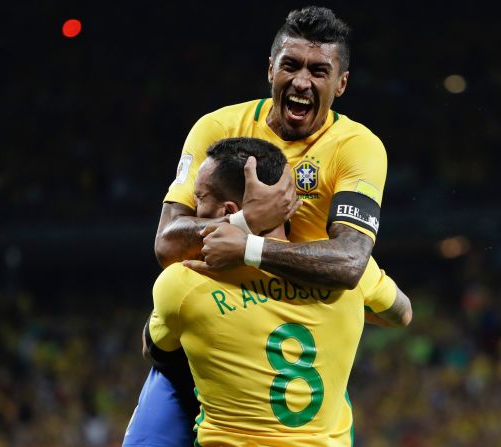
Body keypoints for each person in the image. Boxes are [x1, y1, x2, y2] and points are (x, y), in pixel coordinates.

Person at [123, 6, 399, 446]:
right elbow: (167, 245)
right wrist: (247, 221)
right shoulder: (216, 128)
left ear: (341, 84)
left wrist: (249, 246)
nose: (302, 81)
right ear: (270, 68)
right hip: (218, 318)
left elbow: (350, 262)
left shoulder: (357, 148)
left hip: (298, 323)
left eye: (319, 70)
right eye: (290, 65)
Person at [145, 137, 412, 445]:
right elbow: (402, 313)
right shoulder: (350, 274)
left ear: (228, 210)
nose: (194, 209)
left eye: (200, 198)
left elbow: (157, 351)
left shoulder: (183, 284)